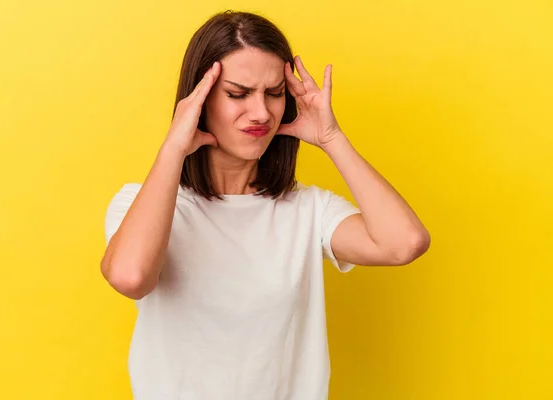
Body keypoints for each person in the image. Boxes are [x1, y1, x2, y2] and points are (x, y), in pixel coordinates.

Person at [101, 10, 430, 400]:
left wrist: (331, 137)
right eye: (238, 94)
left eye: (274, 94)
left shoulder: (307, 211)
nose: (261, 113)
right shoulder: (143, 205)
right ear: (200, 101)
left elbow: (404, 243)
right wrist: (174, 147)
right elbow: (130, 277)